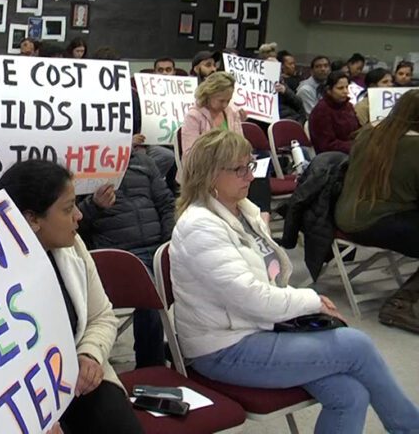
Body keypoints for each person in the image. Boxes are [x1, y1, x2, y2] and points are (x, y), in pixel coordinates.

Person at [170, 129, 419, 434]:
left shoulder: (242, 211)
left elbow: (268, 284)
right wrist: (311, 301)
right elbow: (254, 299)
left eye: (251, 165)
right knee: (358, 345)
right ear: (210, 176)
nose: (250, 176)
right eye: (240, 169)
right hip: (223, 349)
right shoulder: (200, 227)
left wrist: (303, 305)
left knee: (351, 395)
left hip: (257, 329)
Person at [0, 160, 144, 433]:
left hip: (79, 379)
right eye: (68, 208)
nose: (79, 216)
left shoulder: (72, 246)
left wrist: (91, 355)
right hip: (19, 401)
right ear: (32, 219)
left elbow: (101, 316)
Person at [78, 148, 173, 368]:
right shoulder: (82, 165)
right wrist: (94, 206)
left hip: (159, 248)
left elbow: (166, 203)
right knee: (150, 296)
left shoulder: (142, 161)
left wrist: (169, 245)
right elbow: (72, 222)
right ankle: (152, 369)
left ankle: (189, 355)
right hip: (120, 256)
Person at [336, 90, 419, 332]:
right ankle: (401, 305)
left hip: (346, 213)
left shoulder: (368, 133)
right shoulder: (414, 147)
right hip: (375, 220)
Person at [181, 72, 271, 216]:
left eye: (227, 101)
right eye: (221, 100)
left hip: (233, 166)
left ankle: (262, 217)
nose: (224, 105)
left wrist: (247, 159)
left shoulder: (231, 112)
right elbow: (190, 155)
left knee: (258, 172)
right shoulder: (194, 116)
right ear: (208, 94)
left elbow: (240, 143)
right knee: (242, 177)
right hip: (209, 169)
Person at [309, 71, 360, 155]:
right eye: (340, 88)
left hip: (353, 151)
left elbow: (357, 130)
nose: (346, 91)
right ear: (329, 90)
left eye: (347, 87)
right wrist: (355, 146)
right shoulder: (321, 111)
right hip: (334, 159)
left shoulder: (348, 106)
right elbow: (326, 145)